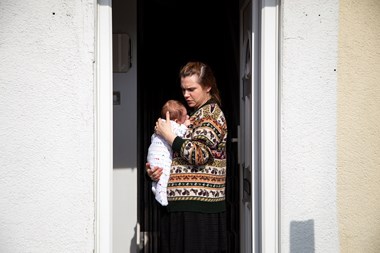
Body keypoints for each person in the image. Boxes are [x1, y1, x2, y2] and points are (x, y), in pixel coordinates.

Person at [146, 61, 228, 253]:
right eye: (183, 89)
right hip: (183, 205)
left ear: (207, 87)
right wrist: (155, 170)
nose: (185, 95)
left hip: (199, 209)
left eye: (191, 89)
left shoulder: (211, 115)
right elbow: (176, 154)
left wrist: (169, 135)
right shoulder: (194, 115)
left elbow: (199, 154)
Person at [147, 99, 190, 206]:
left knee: (158, 178)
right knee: (164, 176)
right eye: (185, 117)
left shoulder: (160, 126)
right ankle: (162, 198)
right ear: (176, 121)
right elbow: (179, 134)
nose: (187, 117)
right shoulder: (171, 126)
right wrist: (185, 125)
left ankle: (156, 190)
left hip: (153, 155)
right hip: (162, 157)